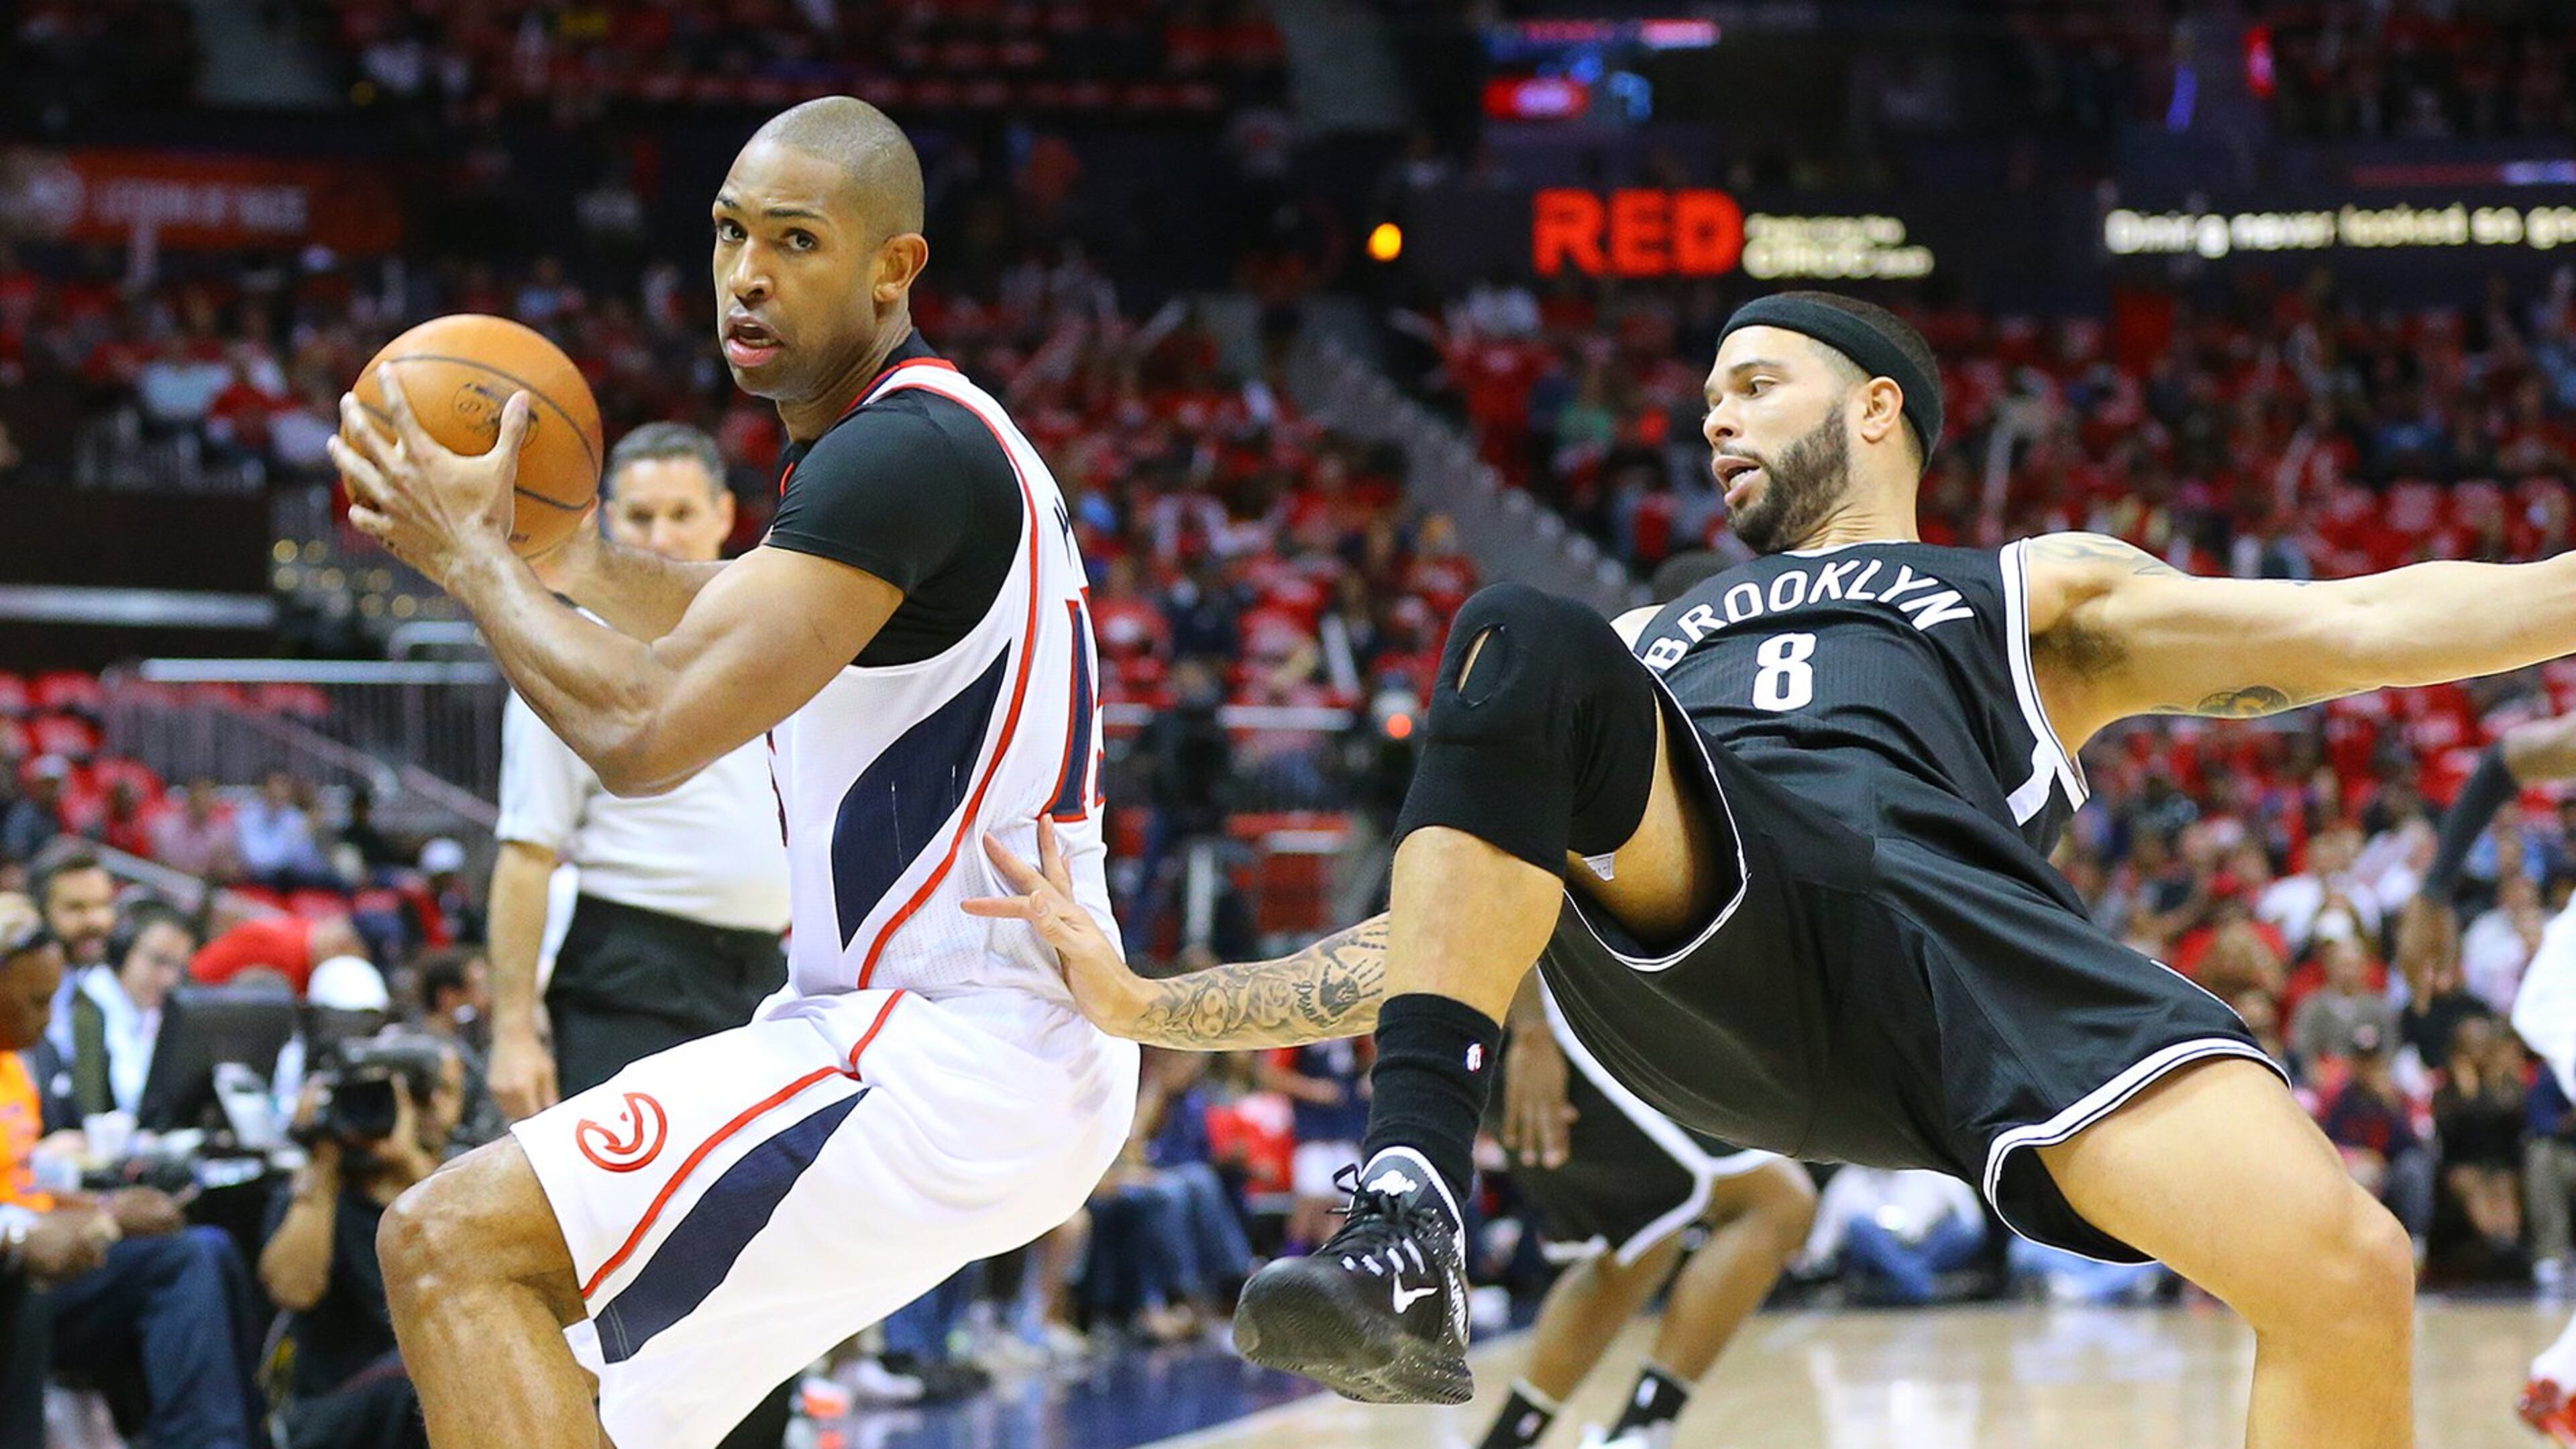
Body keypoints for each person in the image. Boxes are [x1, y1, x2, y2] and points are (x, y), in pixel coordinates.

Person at [969, 288, 2576, 1444]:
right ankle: (1404, 1212)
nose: (1712, 419)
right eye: (1705, 403)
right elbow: (1426, 932)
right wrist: (1143, 1000)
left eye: (1752, 382)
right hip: (1712, 943)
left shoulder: (2019, 590)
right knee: (1520, 629)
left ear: (1874, 404)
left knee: (2347, 1268)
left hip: (1963, 968)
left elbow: (2361, 624)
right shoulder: (1639, 648)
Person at [331, 96, 1134, 1449]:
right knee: (586, 1392)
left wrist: (475, 562)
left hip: (949, 1053)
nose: (747, 274)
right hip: (963, 1053)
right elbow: (715, 613)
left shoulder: (901, 455)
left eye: (797, 241)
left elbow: (647, 738)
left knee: (447, 1245)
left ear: (895, 269)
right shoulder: (915, 443)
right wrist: (567, 556)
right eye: (728, 234)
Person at [484, 421, 790, 1126]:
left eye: (681, 514)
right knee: (630, 1227)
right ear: (609, 523)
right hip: (627, 979)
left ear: (721, 517)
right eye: (643, 517)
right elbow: (527, 853)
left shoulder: (776, 638)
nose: (663, 536)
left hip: (763, 977)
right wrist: (513, 1032)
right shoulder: (566, 651)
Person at [1475, 973, 1814, 1449]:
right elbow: (1498, 897)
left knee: (1639, 1246)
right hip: (1549, 1017)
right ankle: (1639, 1433)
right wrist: (1532, 1028)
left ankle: (1508, 1444)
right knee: (1775, 1203)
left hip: (1553, 1013)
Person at [0, 893, 266, 1448]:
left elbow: (24, 1182)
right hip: (16, 1270)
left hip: (48, 1252)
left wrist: (108, 1211)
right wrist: (23, 1234)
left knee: (207, 1249)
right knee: (183, 1263)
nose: (48, 1018)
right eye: (35, 1001)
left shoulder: (15, 1063)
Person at [258, 1032, 466, 1449]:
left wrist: (409, 1163)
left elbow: (472, 1268)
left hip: (432, 1396)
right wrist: (324, 1165)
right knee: (415, 1369)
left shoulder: (449, 1180)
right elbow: (292, 1289)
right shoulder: (317, 1195)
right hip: (338, 1411)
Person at [36, 896, 196, 1129]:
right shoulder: (86, 1004)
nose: (169, 980)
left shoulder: (163, 1013)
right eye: (159, 961)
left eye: (179, 967)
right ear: (123, 949)